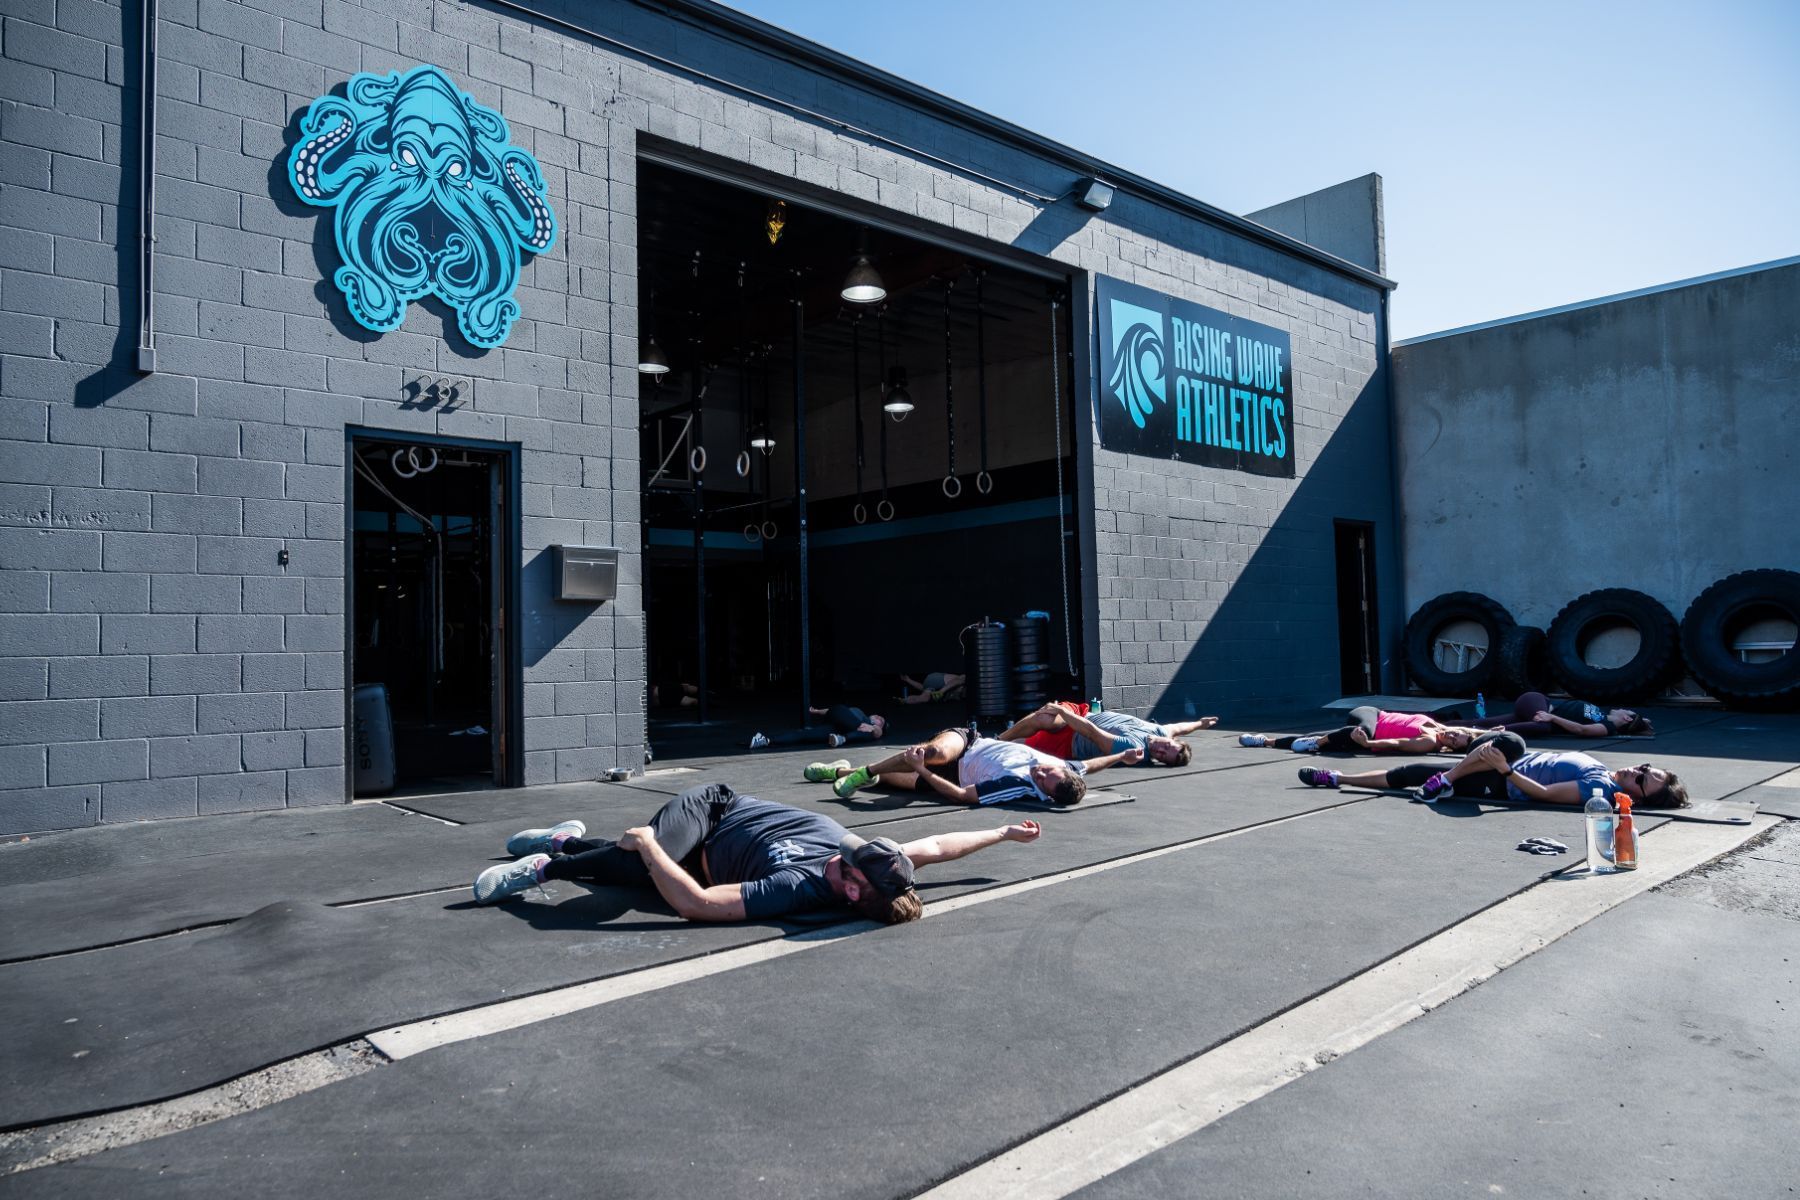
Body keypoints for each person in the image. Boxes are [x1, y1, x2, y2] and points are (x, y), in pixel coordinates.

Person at [472, 781, 1043, 923]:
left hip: (699, 859)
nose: (853, 848)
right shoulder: (878, 864)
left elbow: (697, 904)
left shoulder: (798, 886)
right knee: (631, 865)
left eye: (852, 862)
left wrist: (648, 843)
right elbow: (940, 845)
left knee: (635, 870)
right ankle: (544, 868)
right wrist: (1002, 835)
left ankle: (563, 841)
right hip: (712, 809)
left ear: (850, 887)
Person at [1296, 734, 1689, 808]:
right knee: (1414, 769)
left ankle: (1336, 778)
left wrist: (1504, 769)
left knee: (1413, 771)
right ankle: (1445, 782)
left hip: (1502, 784)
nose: (1639, 768)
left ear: (1637, 798)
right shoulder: (1601, 768)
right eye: (1647, 767)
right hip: (1495, 764)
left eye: (1643, 778)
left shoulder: (1597, 791)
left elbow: (1547, 795)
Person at [825, 725, 1143, 805]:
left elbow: (963, 797)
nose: (1041, 771)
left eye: (1043, 778)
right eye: (1050, 770)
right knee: (934, 751)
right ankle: (863, 772)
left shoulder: (1017, 787)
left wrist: (921, 772)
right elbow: (1091, 764)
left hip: (953, 777)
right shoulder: (1067, 769)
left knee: (891, 781)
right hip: (970, 741)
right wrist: (1120, 756)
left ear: (1044, 794)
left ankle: (840, 771)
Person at [999, 701, 1216, 767]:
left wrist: (1064, 713)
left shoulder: (1134, 748)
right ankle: (998, 739)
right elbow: (1180, 727)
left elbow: (1092, 733)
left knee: (1022, 744)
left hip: (1073, 740)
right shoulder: (1160, 731)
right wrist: (1200, 723)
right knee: (1042, 717)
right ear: (1172, 740)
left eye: (1161, 756)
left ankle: (992, 744)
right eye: (1166, 747)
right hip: (1083, 715)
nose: (1160, 750)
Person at [1239, 706, 1485, 755]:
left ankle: (1264, 741)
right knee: (1360, 728)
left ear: (1448, 748)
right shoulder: (1441, 727)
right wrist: (1487, 733)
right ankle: (1318, 743)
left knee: (1352, 735)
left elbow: (1398, 744)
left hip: (1363, 737)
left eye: (1454, 741)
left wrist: (1367, 745)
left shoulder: (1429, 742)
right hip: (1371, 714)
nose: (1452, 735)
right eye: (1455, 734)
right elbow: (1464, 728)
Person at [1464, 691, 1654, 738]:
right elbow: (1640, 721)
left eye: (1626, 711)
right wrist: (1642, 721)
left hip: (1539, 714)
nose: (1622, 707)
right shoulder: (1602, 714)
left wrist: (1552, 717)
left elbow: (1581, 729)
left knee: (1481, 722)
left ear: (1627, 718)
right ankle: (1496, 732)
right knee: (1542, 725)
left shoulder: (1608, 727)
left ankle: (1445, 724)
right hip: (1537, 702)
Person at [749, 704, 887, 750]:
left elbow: (879, 732)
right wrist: (817, 711)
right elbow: (836, 711)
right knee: (865, 732)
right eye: (878, 716)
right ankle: (842, 739)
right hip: (840, 715)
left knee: (805, 736)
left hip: (836, 731)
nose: (879, 718)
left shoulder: (873, 728)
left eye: (881, 720)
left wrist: (874, 728)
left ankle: (765, 740)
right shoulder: (859, 713)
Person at [898, 671, 966, 704]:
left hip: (933, 682)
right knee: (925, 697)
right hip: (938, 680)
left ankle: (903, 700)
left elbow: (924, 687)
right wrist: (941, 691)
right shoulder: (966, 679)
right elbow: (958, 680)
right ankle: (903, 700)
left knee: (925, 693)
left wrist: (908, 680)